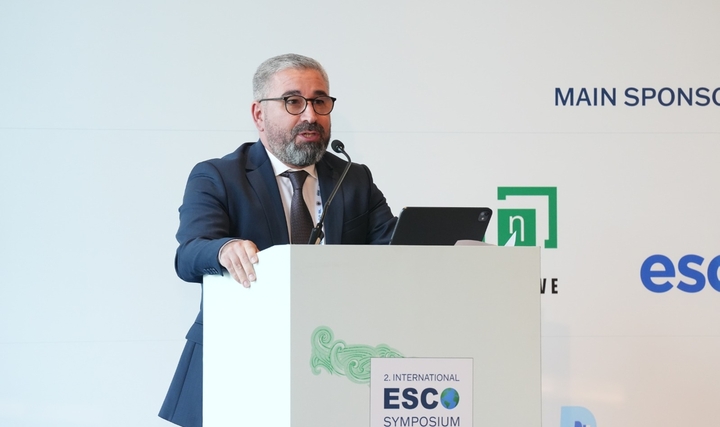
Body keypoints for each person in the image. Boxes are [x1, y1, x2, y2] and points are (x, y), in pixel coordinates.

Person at [158, 53, 397, 427]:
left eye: (320, 101)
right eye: (293, 102)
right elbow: (189, 254)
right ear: (259, 115)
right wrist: (224, 249)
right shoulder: (218, 176)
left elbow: (394, 251)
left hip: (330, 366)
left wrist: (449, 253)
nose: (310, 115)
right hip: (237, 367)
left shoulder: (353, 178)